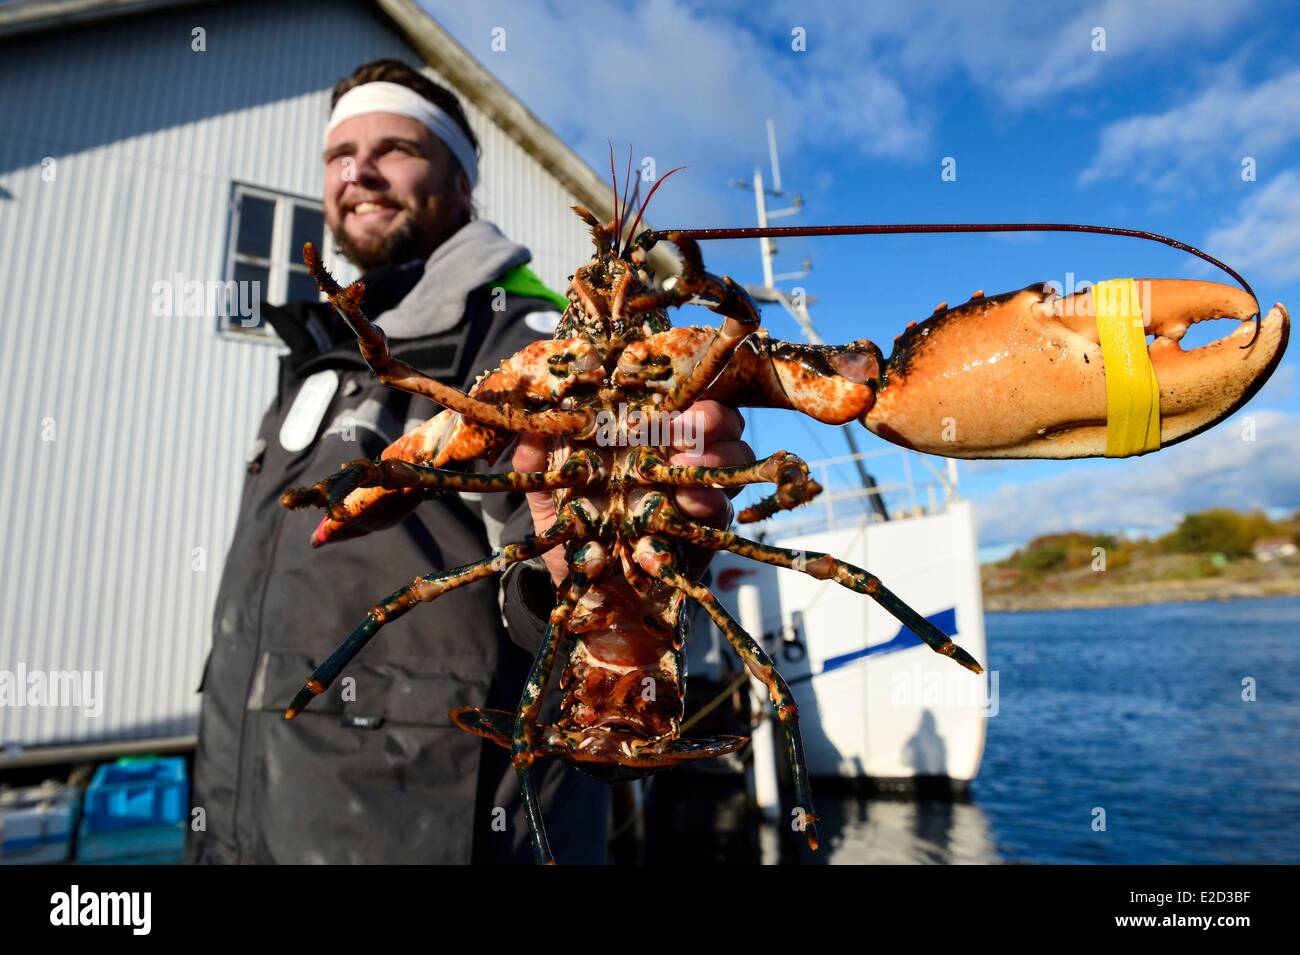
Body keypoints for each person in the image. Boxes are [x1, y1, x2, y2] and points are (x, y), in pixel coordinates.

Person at [187, 59, 753, 864]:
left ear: (460, 179)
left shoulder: (524, 338)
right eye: (339, 155)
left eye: (396, 148)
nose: (360, 172)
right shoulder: (319, 354)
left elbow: (544, 548)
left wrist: (582, 573)